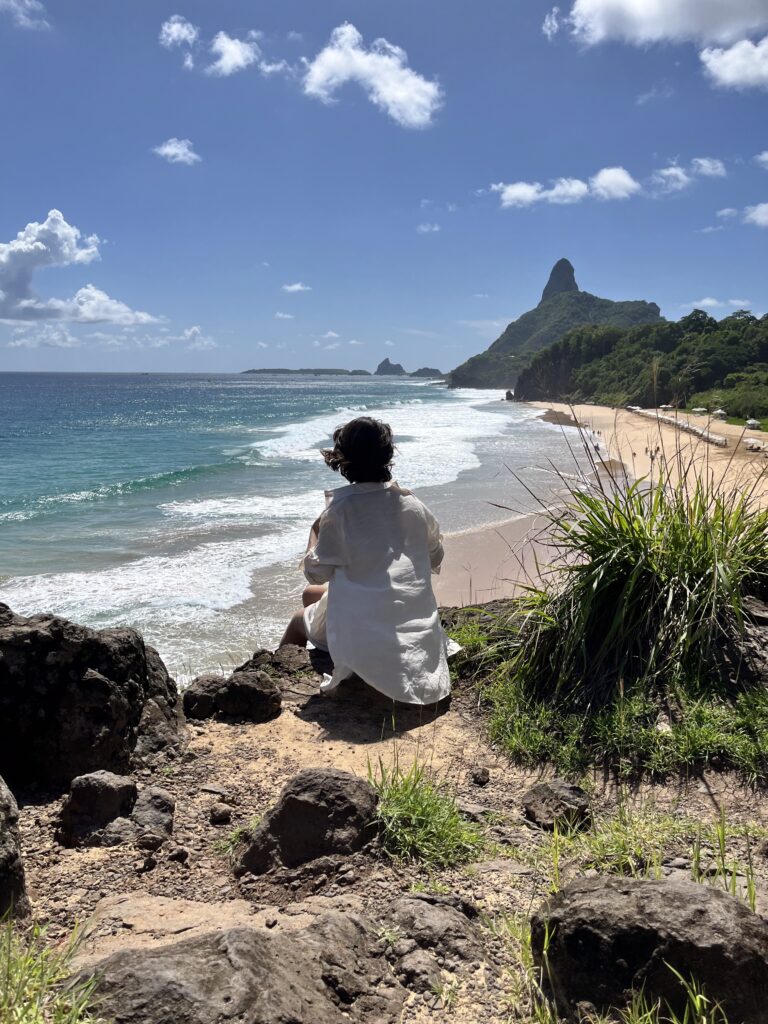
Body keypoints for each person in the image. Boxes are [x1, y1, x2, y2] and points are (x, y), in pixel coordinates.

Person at [279, 416, 451, 705]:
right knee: (310, 597)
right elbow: (436, 555)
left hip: (366, 634)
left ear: (342, 461)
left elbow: (316, 573)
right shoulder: (412, 504)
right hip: (410, 623)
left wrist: (315, 530)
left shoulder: (341, 510)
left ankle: (277, 679)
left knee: (299, 619)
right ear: (387, 456)